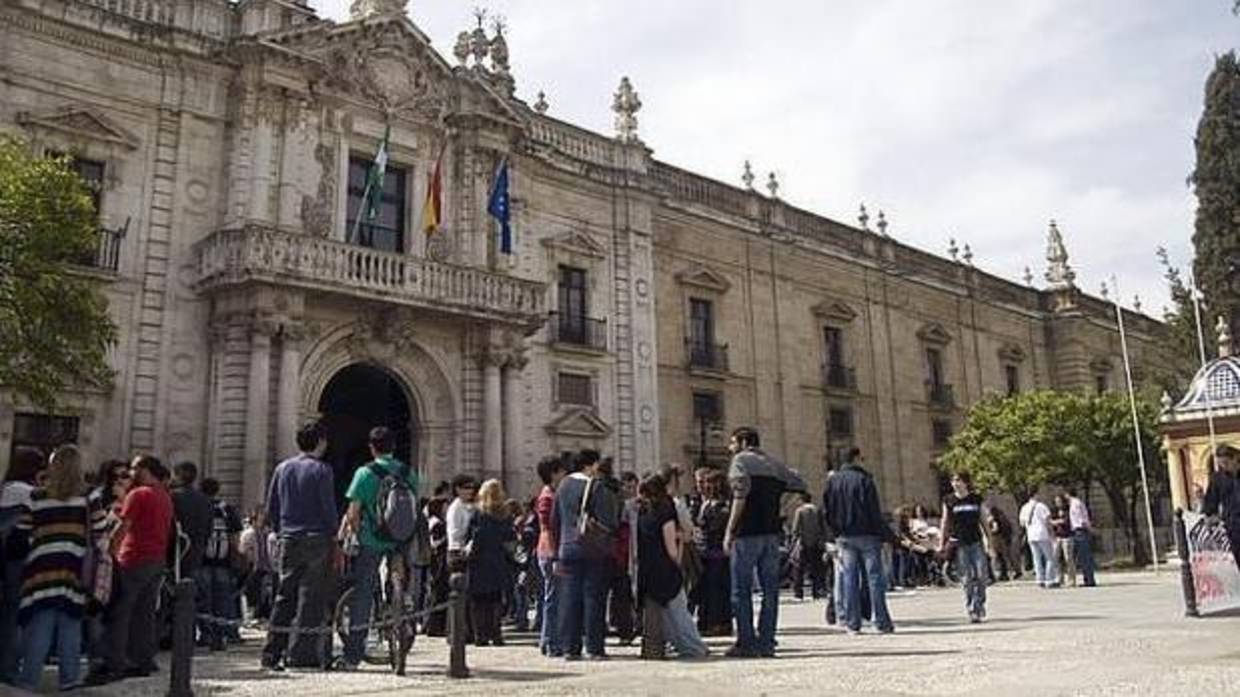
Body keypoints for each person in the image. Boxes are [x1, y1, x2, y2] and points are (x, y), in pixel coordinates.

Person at [336, 426, 420, 671]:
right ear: (394, 446)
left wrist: (354, 534)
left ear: (371, 447)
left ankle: (353, 657)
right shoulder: (409, 472)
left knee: (363, 594)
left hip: (371, 541)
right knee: (401, 586)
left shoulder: (365, 473)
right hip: (400, 540)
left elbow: (353, 512)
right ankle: (402, 613)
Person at [13, 446, 94, 691]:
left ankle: (29, 680)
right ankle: (69, 680)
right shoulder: (89, 497)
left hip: (41, 567)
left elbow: (21, 532)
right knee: (70, 626)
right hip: (74, 566)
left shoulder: (37, 496)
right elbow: (101, 528)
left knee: (40, 626)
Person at [87, 455, 173, 685]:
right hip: (156, 560)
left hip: (133, 558)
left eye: (134, 468)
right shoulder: (164, 495)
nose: (130, 473)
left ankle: (114, 662)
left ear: (144, 470)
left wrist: (110, 554)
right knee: (144, 614)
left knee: (119, 613)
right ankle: (142, 659)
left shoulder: (138, 494)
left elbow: (123, 528)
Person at [723, 427, 807, 657]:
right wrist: (780, 508)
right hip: (771, 534)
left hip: (747, 534)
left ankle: (746, 642)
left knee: (741, 590)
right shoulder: (774, 464)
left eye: (732, 443)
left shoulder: (740, 461)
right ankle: (767, 641)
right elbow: (800, 484)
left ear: (742, 442)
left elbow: (740, 497)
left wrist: (729, 531)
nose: (730, 448)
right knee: (770, 590)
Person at [262, 421, 339, 670]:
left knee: (284, 595)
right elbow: (327, 507)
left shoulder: (282, 468)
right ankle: (301, 653)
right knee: (310, 597)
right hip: (316, 538)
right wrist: (334, 534)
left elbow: (272, 505)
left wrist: (279, 529)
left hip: (288, 537)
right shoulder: (322, 470)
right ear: (320, 441)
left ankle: (271, 652)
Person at [550, 449, 620, 661]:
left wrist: (556, 551)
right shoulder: (596, 486)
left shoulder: (562, 486)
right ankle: (594, 646)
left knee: (570, 597)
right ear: (591, 465)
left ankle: (570, 647)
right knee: (593, 597)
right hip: (592, 548)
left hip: (567, 547)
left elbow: (555, 521)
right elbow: (609, 520)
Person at [822, 447, 895, 635]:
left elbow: (827, 511)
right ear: (855, 459)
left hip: (844, 537)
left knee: (849, 580)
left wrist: (833, 534)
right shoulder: (865, 480)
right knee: (875, 580)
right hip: (868, 535)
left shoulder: (833, 482)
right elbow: (874, 511)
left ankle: (853, 624)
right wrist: (887, 536)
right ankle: (881, 622)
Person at [636, 472, 709, 660]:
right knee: (679, 612)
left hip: (647, 568)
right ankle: (694, 647)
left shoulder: (642, 512)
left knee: (658, 613)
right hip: (665, 568)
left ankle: (655, 648)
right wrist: (677, 559)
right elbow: (671, 547)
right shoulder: (665, 510)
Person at [1, 447, 46, 685]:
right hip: (21, 557)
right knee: (16, 614)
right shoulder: (28, 492)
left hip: (6, 555)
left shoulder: (6, 488)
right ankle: (8, 667)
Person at [467, 480, 516, 646]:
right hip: (499, 560)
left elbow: (473, 537)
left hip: (480, 560)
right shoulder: (505, 514)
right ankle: (496, 634)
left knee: (479, 600)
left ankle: (480, 635)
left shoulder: (478, 513)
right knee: (496, 599)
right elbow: (511, 539)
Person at [939, 472, 991, 623]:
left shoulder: (975, 499)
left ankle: (980, 603)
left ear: (966, 482)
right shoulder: (949, 500)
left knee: (982, 576)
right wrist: (942, 543)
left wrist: (990, 542)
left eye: (958, 480)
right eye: (953, 480)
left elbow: (984, 522)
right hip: (959, 543)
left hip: (976, 541)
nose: (956, 483)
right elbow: (945, 522)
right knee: (967, 578)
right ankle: (972, 609)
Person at [169, 462, 213, 637]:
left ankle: (175, 635)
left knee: (175, 597)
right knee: (198, 597)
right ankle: (203, 633)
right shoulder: (205, 500)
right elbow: (209, 529)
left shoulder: (173, 497)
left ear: (178, 475)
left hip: (177, 554)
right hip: (197, 553)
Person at [198, 477, 242, 650]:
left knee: (204, 599)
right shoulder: (227, 509)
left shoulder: (200, 507)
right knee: (223, 599)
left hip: (203, 560)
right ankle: (222, 634)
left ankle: (206, 635)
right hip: (223, 561)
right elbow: (235, 536)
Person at [534, 455, 567, 657]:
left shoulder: (552, 494)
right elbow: (549, 528)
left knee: (553, 597)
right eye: (562, 471)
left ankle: (549, 640)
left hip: (549, 550)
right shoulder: (548, 497)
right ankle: (551, 641)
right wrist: (556, 556)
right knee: (554, 598)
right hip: (550, 551)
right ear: (554, 473)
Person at [693, 468, 732, 636]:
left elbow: (715, 527)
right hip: (706, 552)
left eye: (710, 483)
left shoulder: (723, 506)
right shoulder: (705, 504)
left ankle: (719, 623)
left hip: (717, 553)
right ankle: (706, 621)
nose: (706, 486)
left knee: (718, 589)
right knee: (707, 589)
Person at [602, 459, 636, 646]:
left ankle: (603, 627)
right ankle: (625, 629)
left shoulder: (599, 493)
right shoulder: (621, 496)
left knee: (602, 592)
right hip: (620, 550)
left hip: (606, 548)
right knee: (622, 593)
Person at [1203, 445, 1240, 574]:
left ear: (1235, 458)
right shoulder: (1217, 479)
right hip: (1234, 527)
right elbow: (1210, 503)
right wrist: (1210, 517)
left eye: (1225, 463)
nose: (1223, 467)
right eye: (1220, 464)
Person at [239, 508, 273, 622]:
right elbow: (244, 550)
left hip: (266, 567)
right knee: (252, 591)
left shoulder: (266, 534)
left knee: (265, 592)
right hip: (253, 567)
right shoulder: (248, 534)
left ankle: (262, 613)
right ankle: (252, 613)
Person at [790, 492, 825, 601]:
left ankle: (798, 592)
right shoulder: (817, 510)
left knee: (799, 568)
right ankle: (817, 591)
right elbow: (822, 526)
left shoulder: (800, 511)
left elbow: (795, 528)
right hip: (816, 543)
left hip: (803, 543)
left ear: (801, 500)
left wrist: (793, 542)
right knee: (816, 568)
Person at [1018, 493, 1057, 588]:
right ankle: (1049, 579)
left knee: (1036, 558)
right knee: (1049, 558)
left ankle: (1040, 579)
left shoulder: (1024, 507)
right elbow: (1047, 521)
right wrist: (1052, 534)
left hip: (1031, 535)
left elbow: (1022, 523)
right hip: (1042, 534)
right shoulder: (1042, 506)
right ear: (1036, 495)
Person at [1066, 488, 1097, 587]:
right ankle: (1088, 578)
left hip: (1080, 531)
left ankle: (1089, 580)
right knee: (1083, 557)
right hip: (1080, 531)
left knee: (1085, 557)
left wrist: (1090, 529)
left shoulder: (1075, 504)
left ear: (1068, 494)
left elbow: (1081, 520)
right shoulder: (1077, 503)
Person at [1050, 495, 1077, 587]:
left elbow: (1066, 521)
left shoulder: (1068, 510)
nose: (1058, 503)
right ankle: (1059, 578)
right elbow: (1050, 521)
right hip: (1057, 537)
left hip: (1067, 536)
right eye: (1056, 501)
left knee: (1068, 558)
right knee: (1056, 558)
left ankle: (1071, 579)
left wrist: (1056, 522)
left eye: (1059, 501)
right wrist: (1057, 522)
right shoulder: (1054, 511)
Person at [987, 505, 1018, 581]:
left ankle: (1001, 574)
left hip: (996, 540)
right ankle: (1006, 573)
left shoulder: (993, 519)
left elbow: (995, 528)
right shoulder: (1002, 517)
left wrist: (989, 531)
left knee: (998, 557)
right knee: (1003, 557)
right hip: (1003, 539)